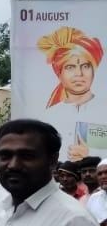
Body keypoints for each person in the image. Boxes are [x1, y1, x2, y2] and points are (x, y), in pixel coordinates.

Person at [38, 26, 102, 162]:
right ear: (59, 73)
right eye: (70, 67)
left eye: (85, 66)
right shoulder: (48, 117)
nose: (79, 74)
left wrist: (91, 156)